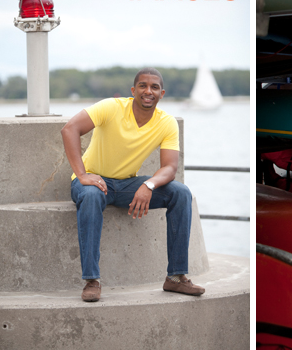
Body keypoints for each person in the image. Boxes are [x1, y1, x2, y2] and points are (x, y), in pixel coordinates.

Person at [61, 67, 205, 302]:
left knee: (180, 192)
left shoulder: (167, 123)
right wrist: (82, 174)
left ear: (162, 93)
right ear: (133, 90)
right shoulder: (111, 107)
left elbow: (169, 167)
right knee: (91, 196)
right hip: (93, 182)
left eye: (154, 87)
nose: (148, 91)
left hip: (127, 184)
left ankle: (176, 278)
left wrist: (148, 185)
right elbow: (70, 129)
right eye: (143, 86)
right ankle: (91, 280)